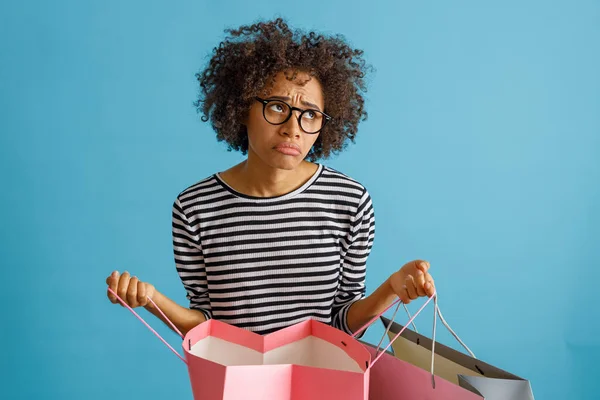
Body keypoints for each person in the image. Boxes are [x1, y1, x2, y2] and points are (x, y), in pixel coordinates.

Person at [105, 18, 435, 337]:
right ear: (241, 107)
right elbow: (207, 331)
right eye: (277, 107)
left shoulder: (350, 201)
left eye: (310, 114)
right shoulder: (194, 208)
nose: (293, 129)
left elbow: (343, 325)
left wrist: (391, 288)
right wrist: (151, 300)